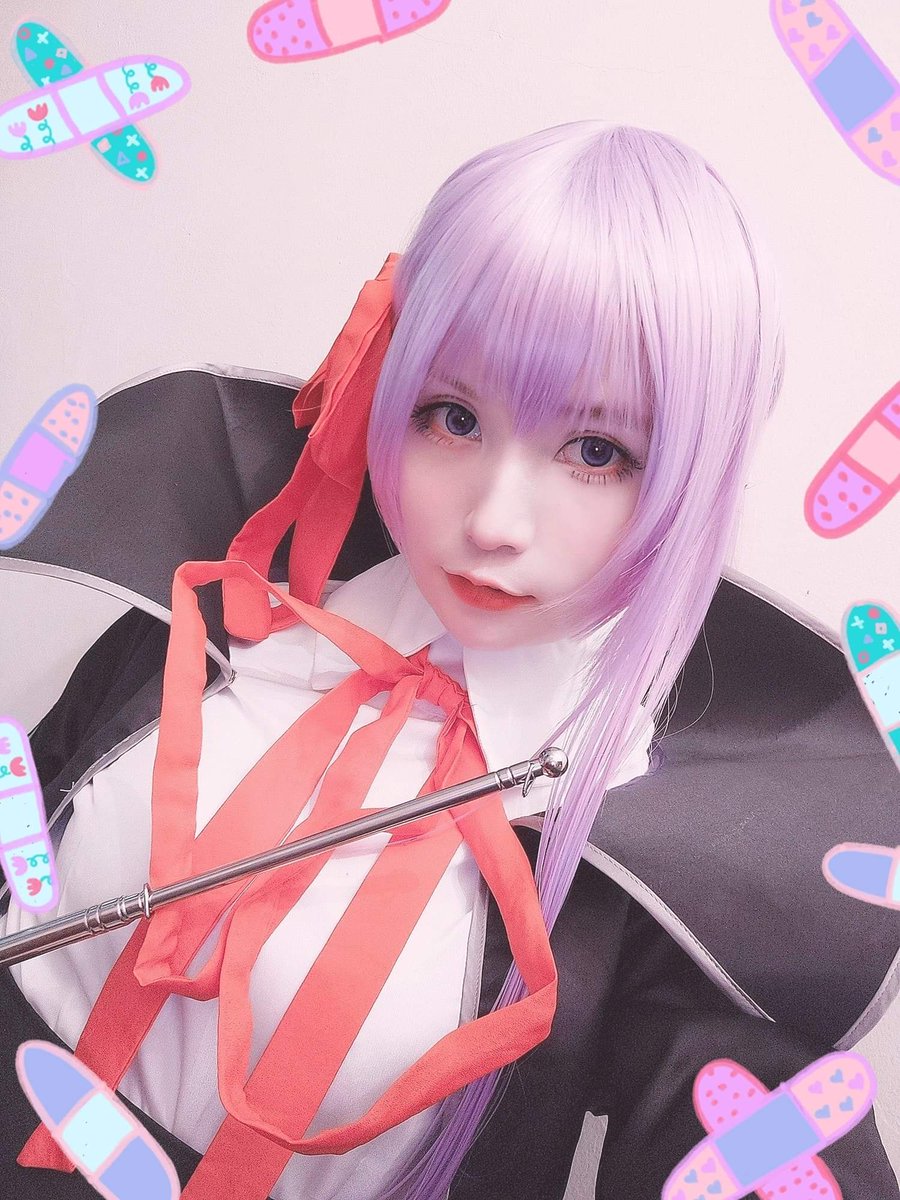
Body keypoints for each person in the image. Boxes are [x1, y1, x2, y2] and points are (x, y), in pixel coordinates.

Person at [0, 121, 898, 1200]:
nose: (493, 522)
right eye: (453, 416)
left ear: (693, 478)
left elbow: (756, 1128)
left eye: (597, 451)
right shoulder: (218, 610)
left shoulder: (672, 849)